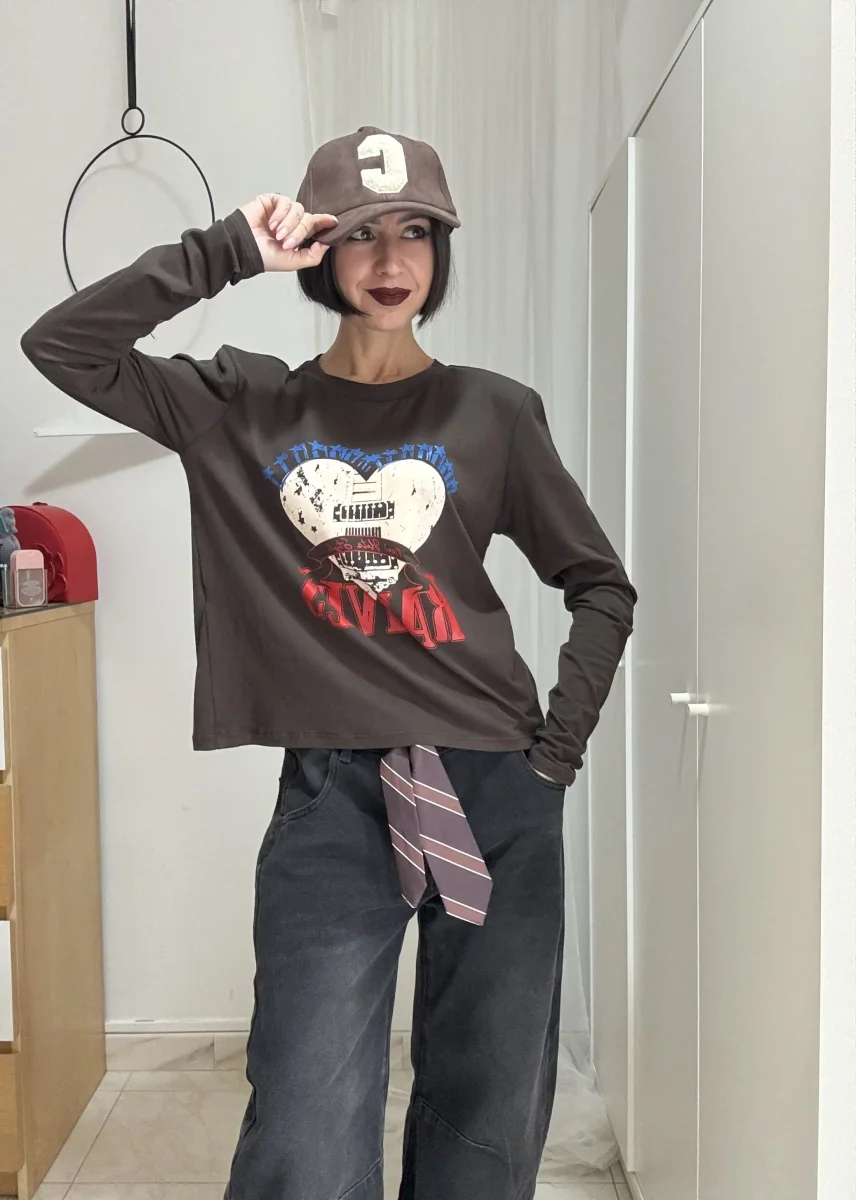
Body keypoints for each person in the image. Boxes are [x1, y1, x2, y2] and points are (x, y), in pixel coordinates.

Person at [21, 126, 636, 1200]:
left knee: (488, 1108)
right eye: (358, 234)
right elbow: (63, 347)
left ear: (441, 249)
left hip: (496, 785)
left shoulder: (493, 411)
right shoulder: (242, 404)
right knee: (304, 1126)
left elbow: (600, 585)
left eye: (415, 232)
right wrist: (226, 250)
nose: (390, 260)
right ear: (317, 250)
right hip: (335, 798)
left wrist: (554, 756)